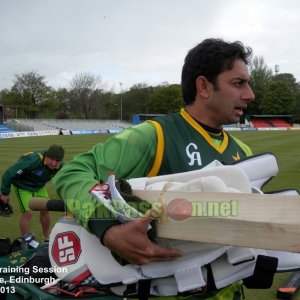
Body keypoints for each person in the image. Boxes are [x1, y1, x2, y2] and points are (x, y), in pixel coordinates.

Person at [53, 38, 255, 299]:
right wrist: (109, 228)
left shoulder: (245, 153)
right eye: (238, 83)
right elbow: (72, 172)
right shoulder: (155, 135)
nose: (250, 94)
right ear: (204, 86)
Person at [0, 144, 65, 239]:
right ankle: (26, 240)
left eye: (57, 161)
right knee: (28, 213)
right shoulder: (33, 160)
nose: (54, 164)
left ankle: (46, 236)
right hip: (23, 186)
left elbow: (68, 179)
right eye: (51, 159)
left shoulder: (61, 166)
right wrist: (5, 193)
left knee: (45, 209)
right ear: (46, 156)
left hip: (39, 186)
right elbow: (9, 173)